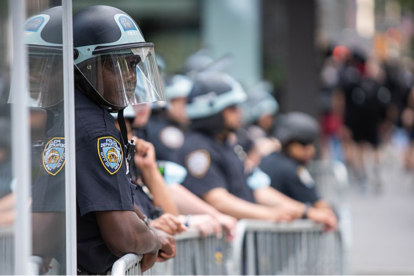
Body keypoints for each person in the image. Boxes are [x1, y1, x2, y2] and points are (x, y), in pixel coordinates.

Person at [72, 5, 175, 274]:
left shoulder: (70, 116)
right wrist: (154, 241)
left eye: (133, 66)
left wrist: (147, 228)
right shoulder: (96, 129)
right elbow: (123, 236)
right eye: (116, 65)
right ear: (85, 67)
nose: (130, 77)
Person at [173, 72, 336, 230]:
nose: (240, 113)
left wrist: (305, 212)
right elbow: (218, 199)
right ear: (211, 109)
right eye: (232, 108)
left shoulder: (226, 144)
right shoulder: (197, 149)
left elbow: (258, 189)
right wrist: (270, 214)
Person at [260, 112, 337, 213]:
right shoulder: (292, 169)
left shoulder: (267, 159)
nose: (311, 149)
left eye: (311, 143)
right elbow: (318, 205)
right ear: (287, 142)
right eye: (303, 143)